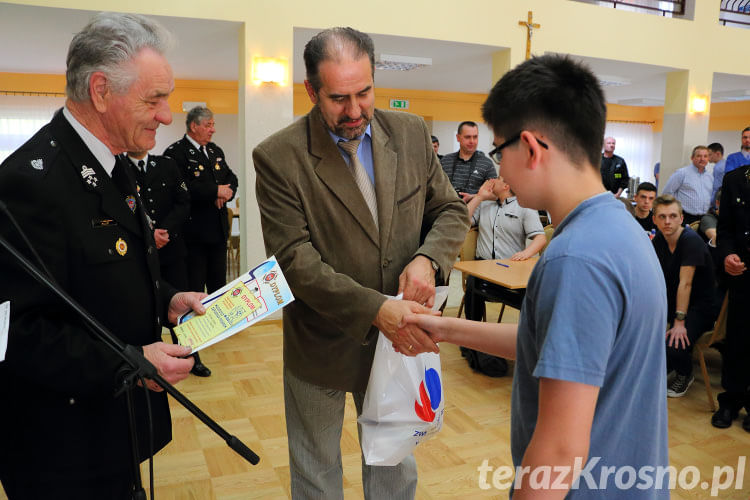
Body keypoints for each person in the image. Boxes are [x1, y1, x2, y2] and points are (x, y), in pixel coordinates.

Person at [405, 54, 668, 498]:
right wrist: (443, 327)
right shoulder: (619, 230)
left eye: (498, 151)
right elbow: (548, 345)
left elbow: (561, 452)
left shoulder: (576, 258)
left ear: (529, 147)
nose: (499, 170)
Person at [252, 27, 468, 499]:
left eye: (364, 92)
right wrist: (375, 308)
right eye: (338, 98)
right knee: (316, 473)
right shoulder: (278, 157)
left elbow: (449, 210)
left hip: (400, 344)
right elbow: (294, 260)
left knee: (393, 464)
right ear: (311, 90)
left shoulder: (410, 134)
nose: (354, 111)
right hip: (321, 347)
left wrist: (428, 259)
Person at [0, 13, 204, 499]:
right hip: (61, 445)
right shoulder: (32, 182)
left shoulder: (110, 163)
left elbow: (102, 276)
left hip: (113, 427)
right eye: (154, 99)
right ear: (100, 90)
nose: (167, 115)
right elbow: (16, 333)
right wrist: (129, 363)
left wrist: (167, 298)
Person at [164, 106, 238, 377]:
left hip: (217, 234)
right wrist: (213, 191)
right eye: (208, 124)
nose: (213, 128)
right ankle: (192, 355)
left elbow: (232, 178)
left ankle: (215, 332)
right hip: (192, 238)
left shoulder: (215, 151)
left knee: (218, 287)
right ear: (194, 126)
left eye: (213, 124)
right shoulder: (176, 153)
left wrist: (226, 192)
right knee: (192, 295)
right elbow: (179, 188)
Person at [125, 149, 208, 370]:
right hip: (140, 252)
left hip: (172, 248)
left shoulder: (166, 165)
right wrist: (148, 234)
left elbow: (183, 202)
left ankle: (191, 357)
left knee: (181, 304)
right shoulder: (119, 167)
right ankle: (150, 358)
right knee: (145, 305)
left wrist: (164, 230)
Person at [461, 176, 545, 376]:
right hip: (482, 269)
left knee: (529, 298)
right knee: (473, 282)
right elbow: (462, 222)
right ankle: (471, 340)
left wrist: (527, 253)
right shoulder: (485, 205)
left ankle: (526, 346)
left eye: (497, 179)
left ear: (506, 185)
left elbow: (540, 237)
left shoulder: (525, 207)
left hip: (508, 271)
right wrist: (479, 197)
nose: (492, 180)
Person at [651, 195, 717, 398]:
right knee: (649, 338)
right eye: (662, 217)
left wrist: (679, 322)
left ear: (681, 218)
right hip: (675, 300)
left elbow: (685, 283)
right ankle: (669, 364)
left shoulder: (690, 241)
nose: (667, 221)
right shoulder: (660, 239)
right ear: (654, 219)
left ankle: (684, 374)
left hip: (702, 306)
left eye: (672, 216)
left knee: (675, 345)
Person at [712, 162, 750, 432]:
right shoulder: (735, 179)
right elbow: (724, 228)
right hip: (741, 274)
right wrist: (726, 254)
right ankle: (730, 401)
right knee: (737, 339)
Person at [440, 120, 497, 203]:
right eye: (467, 137)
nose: (472, 141)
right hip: (447, 210)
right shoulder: (445, 161)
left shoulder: (487, 164)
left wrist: (474, 197)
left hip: (475, 213)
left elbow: (495, 195)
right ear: (458, 138)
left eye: (475, 137)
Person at [662, 145, 713, 225]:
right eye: (699, 156)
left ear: (708, 159)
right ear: (692, 158)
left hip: (704, 218)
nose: (702, 159)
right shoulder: (682, 173)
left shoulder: (710, 176)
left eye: (705, 156)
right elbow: (667, 193)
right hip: (685, 217)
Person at [708, 142, 726, 207]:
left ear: (718, 154)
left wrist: (710, 203)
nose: (707, 157)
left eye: (709, 155)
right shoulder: (725, 164)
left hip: (718, 202)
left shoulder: (718, 168)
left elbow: (717, 188)